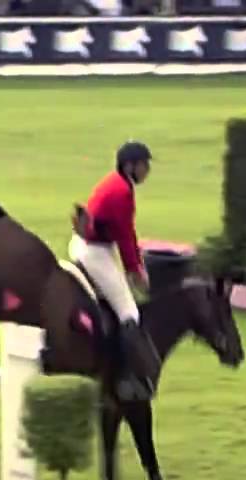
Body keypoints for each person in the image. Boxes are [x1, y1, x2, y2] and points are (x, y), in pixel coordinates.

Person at [70, 141, 161, 401]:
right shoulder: (121, 192)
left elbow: (125, 235)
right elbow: (125, 237)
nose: (147, 171)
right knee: (129, 312)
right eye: (144, 165)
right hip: (94, 251)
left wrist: (135, 266)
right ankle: (126, 378)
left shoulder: (118, 183)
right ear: (130, 166)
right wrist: (136, 271)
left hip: (89, 244)